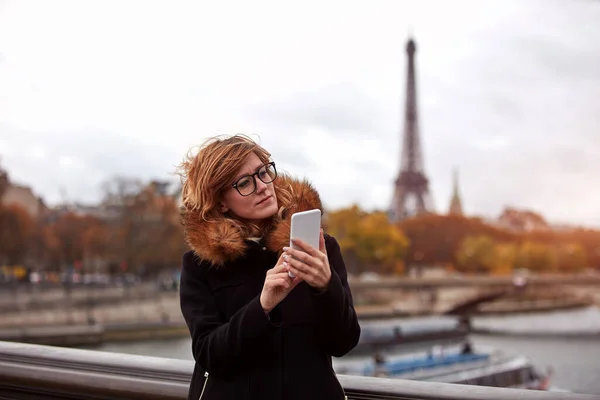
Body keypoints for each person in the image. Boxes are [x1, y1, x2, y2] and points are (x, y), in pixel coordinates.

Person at [177, 135, 361, 400]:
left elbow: (344, 342)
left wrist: (326, 286)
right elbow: (210, 355)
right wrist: (261, 306)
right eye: (244, 183)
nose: (263, 186)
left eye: (263, 173)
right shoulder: (201, 265)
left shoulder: (320, 248)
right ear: (220, 201)